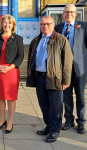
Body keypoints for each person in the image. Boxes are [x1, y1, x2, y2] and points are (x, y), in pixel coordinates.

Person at [26, 15, 73, 143]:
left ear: (53, 24)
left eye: (47, 24)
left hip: (54, 78)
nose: (45, 26)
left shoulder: (61, 40)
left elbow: (68, 62)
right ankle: (48, 126)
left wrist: (66, 80)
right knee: (44, 106)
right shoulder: (36, 40)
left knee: (56, 107)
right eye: (42, 24)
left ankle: (54, 131)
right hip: (39, 78)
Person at [55, 4, 87, 134]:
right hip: (64, 68)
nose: (68, 14)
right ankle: (69, 120)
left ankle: (81, 122)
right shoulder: (58, 28)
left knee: (80, 96)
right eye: (66, 12)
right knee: (66, 96)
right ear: (63, 14)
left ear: (75, 14)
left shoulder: (84, 26)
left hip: (79, 67)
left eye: (71, 12)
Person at [0, 14, 24, 134]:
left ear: (13, 25)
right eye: (5, 22)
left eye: (9, 23)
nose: (7, 25)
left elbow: (20, 56)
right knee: (0, 96)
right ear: (1, 24)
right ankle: (2, 119)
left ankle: (10, 122)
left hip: (11, 72)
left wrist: (9, 68)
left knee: (10, 97)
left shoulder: (18, 38)